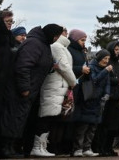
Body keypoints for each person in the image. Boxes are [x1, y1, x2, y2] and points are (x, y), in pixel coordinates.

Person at [0, 24, 62, 158]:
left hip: (31, 90)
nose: (56, 39)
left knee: (19, 119)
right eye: (56, 36)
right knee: (12, 118)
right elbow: (23, 66)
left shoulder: (44, 44)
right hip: (20, 90)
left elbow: (39, 65)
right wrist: (25, 88)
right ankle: (5, 148)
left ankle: (12, 147)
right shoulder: (34, 44)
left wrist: (51, 67)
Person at [35, 27, 77, 157]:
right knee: (46, 116)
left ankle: (42, 146)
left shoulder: (62, 47)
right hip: (53, 86)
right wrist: (73, 82)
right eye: (64, 31)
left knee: (50, 117)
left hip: (59, 86)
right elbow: (64, 66)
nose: (67, 33)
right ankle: (37, 146)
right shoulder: (57, 47)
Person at [71, 49, 111, 157]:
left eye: (108, 59)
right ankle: (77, 148)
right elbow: (93, 81)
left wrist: (107, 94)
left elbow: (107, 84)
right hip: (88, 99)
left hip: (99, 101)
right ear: (99, 58)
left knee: (92, 127)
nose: (106, 61)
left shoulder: (105, 70)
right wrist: (105, 71)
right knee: (83, 126)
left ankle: (87, 148)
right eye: (104, 58)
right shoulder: (92, 67)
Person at [96, 40, 119, 156]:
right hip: (107, 96)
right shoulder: (107, 61)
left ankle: (108, 147)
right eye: (115, 49)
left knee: (113, 126)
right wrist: (118, 81)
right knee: (104, 125)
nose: (117, 52)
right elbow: (106, 77)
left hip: (116, 97)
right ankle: (100, 148)